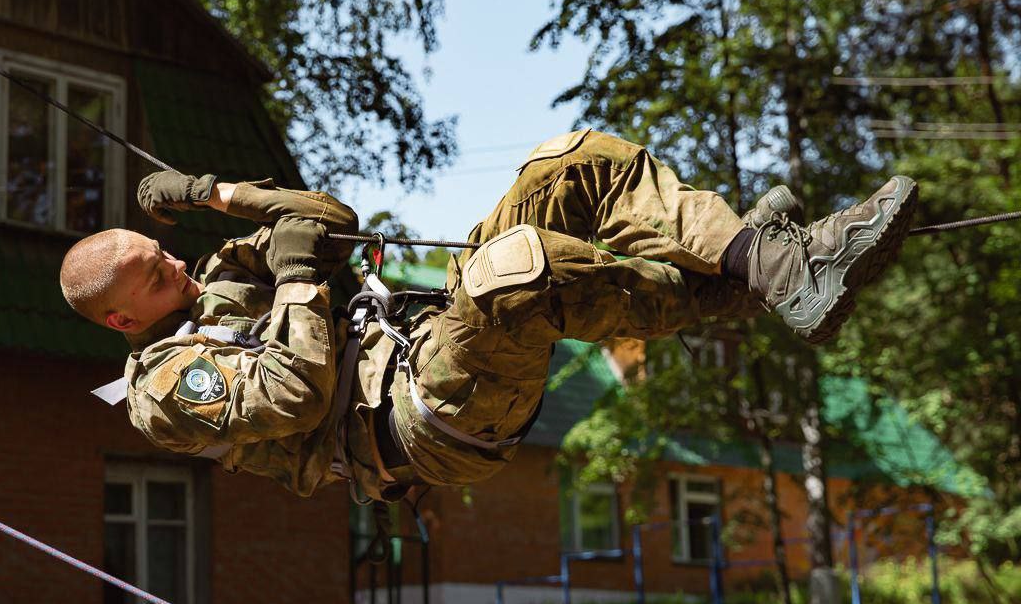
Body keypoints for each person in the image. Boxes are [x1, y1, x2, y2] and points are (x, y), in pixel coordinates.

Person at [59, 129, 917, 503]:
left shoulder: (217, 279)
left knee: (575, 163)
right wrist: (292, 285)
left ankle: (781, 266)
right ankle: (757, 280)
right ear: (123, 321)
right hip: (419, 421)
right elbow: (290, 391)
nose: (175, 264)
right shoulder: (161, 388)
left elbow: (325, 219)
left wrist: (216, 193)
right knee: (515, 269)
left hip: (436, 338)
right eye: (155, 274)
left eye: (162, 250)